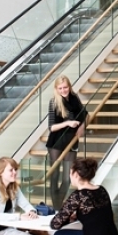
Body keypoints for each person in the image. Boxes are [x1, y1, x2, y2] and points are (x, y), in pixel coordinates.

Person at [46, 75, 88, 210]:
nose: (63, 90)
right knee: (55, 176)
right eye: (60, 88)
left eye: (65, 87)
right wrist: (67, 123)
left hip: (71, 141)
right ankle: (57, 209)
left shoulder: (74, 99)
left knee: (67, 178)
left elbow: (85, 115)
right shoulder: (54, 102)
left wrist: (82, 127)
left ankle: (58, 207)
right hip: (56, 142)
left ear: (69, 87)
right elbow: (51, 127)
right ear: (56, 89)